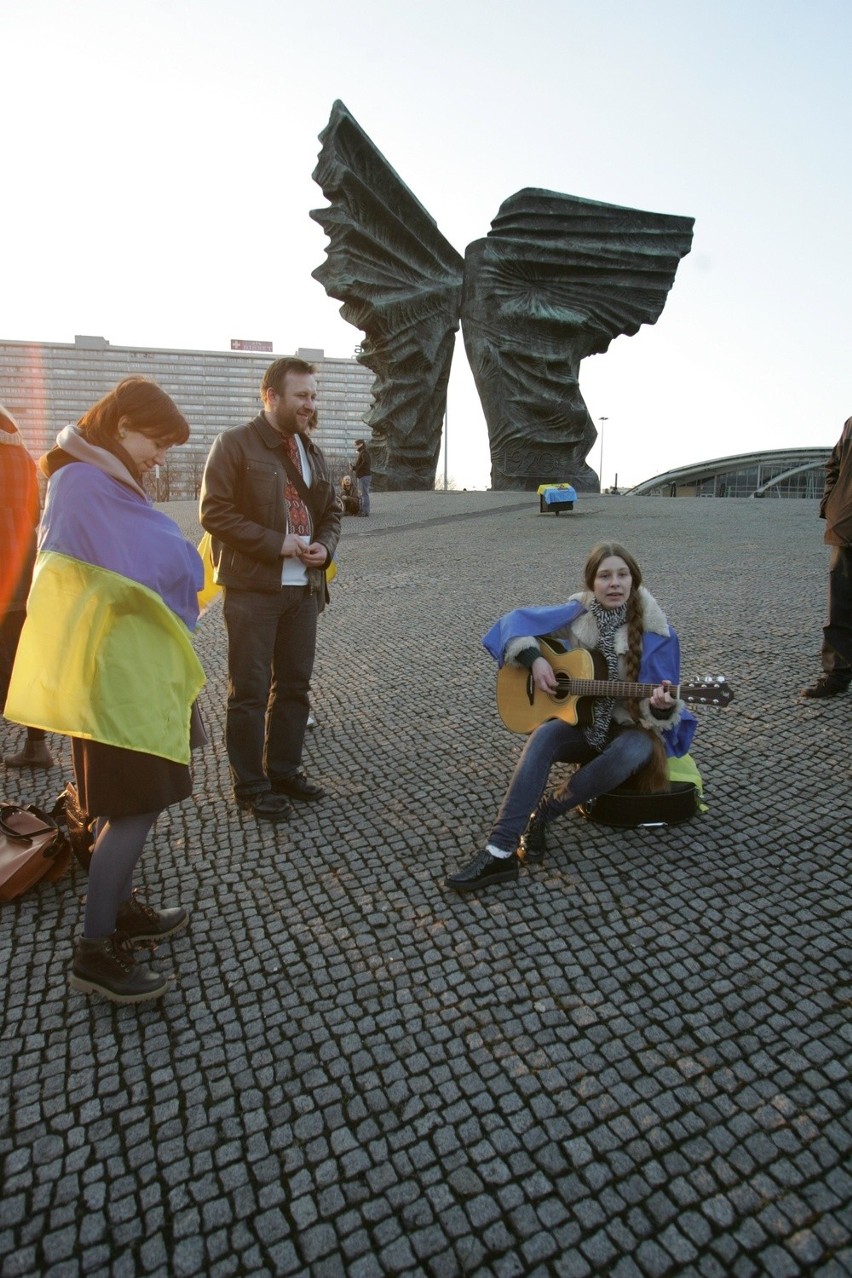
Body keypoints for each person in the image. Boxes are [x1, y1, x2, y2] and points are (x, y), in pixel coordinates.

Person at [5, 378, 206, 1002]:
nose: (161, 456)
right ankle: (95, 952)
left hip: (129, 673)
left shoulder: (96, 480)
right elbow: (153, 563)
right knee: (133, 806)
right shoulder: (84, 483)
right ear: (121, 426)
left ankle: (119, 909)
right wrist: (185, 556)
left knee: (130, 801)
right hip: (115, 685)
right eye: (158, 441)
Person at [446, 542, 697, 892]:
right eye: (604, 576)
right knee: (543, 737)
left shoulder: (657, 634)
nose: (614, 583)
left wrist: (661, 706)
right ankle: (500, 849)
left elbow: (664, 719)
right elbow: (514, 623)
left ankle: (546, 813)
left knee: (636, 747)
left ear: (634, 581)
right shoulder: (577, 614)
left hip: (625, 732)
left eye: (622, 575)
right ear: (592, 583)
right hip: (583, 726)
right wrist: (535, 658)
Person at [199, 356, 341, 822]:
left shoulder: (311, 450)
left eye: (313, 396)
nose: (309, 404)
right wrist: (277, 543)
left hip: (304, 592)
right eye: (301, 395)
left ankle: (283, 770)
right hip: (253, 591)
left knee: (295, 687)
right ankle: (251, 784)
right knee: (250, 691)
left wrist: (324, 545)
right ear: (270, 397)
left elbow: (332, 513)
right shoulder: (234, 444)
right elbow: (214, 514)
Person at [0, 403, 55, 769]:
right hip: (21, 567)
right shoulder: (18, 449)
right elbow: (33, 512)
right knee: (23, 658)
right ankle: (37, 744)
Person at [802, 416, 852, 698]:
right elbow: (833, 465)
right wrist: (831, 504)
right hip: (847, 527)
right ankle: (837, 676)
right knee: (841, 610)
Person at [353, 437, 371, 516]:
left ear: (361, 444)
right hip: (362, 475)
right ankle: (362, 510)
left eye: (356, 444)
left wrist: (358, 469)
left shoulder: (364, 452)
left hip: (364, 476)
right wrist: (354, 468)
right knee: (362, 494)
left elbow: (365, 462)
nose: (355, 446)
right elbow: (362, 464)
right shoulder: (362, 452)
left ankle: (365, 511)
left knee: (364, 494)